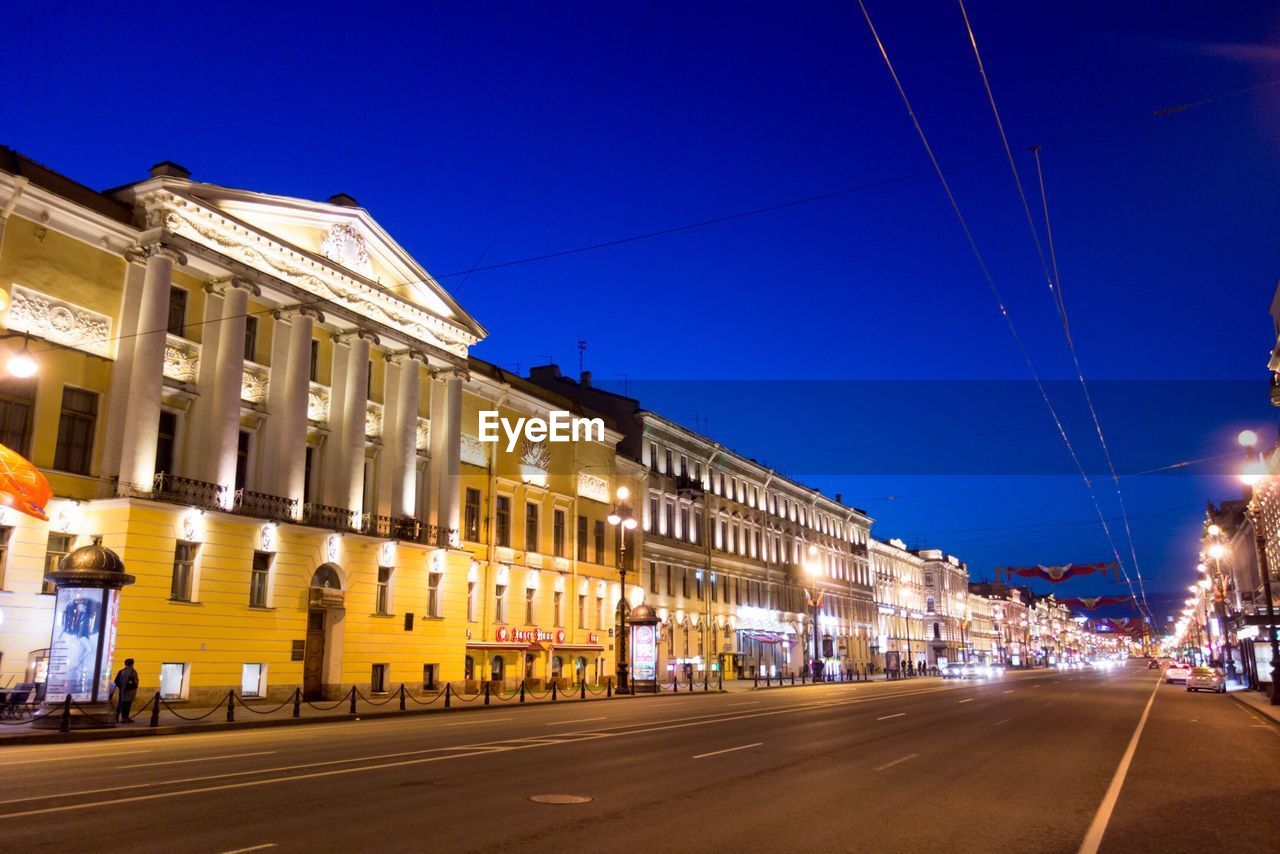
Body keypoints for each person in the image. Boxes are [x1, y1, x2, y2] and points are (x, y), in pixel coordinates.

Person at [113, 658, 139, 723]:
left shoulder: (121, 671)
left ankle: (118, 718)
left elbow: (116, 681)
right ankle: (125, 718)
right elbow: (135, 681)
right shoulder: (133, 671)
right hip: (130, 691)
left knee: (121, 704)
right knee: (127, 705)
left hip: (123, 691)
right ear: (132, 664)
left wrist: (121, 687)